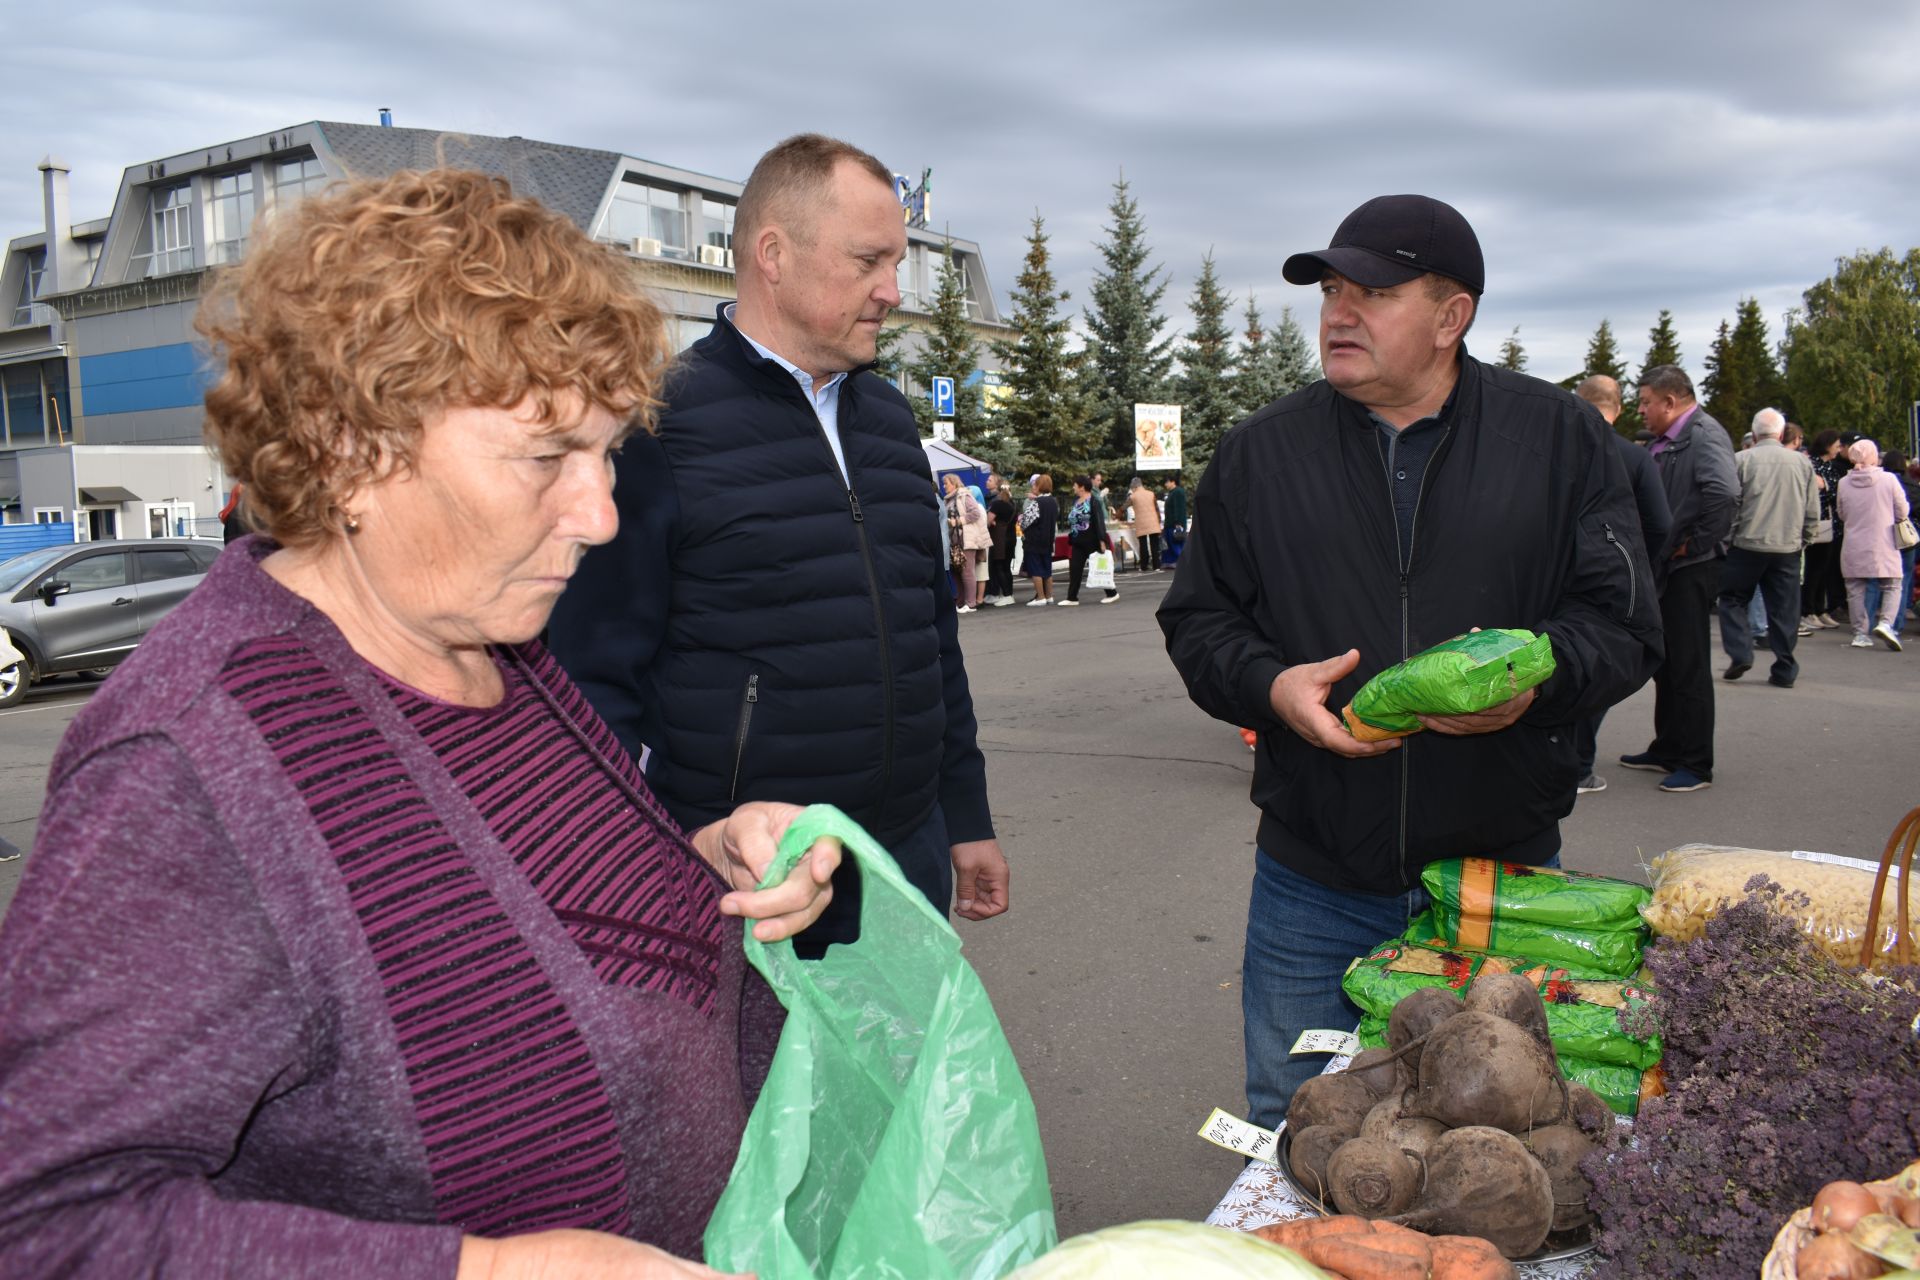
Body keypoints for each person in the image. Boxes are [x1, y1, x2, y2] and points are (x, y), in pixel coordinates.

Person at [0, 168, 844, 1278]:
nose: (599, 515)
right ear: (352, 450)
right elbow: (46, 1226)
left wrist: (714, 862)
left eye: (606, 454)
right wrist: (484, 1271)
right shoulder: (185, 766)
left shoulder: (492, 645)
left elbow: (527, 910)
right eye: (547, 457)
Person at [1157, 193, 1661, 1129]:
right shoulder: (1260, 454)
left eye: (1374, 293)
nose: (1339, 313)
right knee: (1293, 1122)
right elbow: (1200, 622)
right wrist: (1270, 687)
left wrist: (1536, 689)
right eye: (1332, 290)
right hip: (1314, 881)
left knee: (1493, 1140)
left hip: (1501, 887)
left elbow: (1623, 624)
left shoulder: (1558, 440)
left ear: (1450, 316)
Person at [548, 134, 1009, 946]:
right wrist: (635, 872)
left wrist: (963, 815)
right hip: (742, 886)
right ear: (773, 254)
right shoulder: (660, 423)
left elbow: (930, 636)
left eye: (897, 264)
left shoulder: (892, 422)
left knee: (899, 1075)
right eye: (869, 261)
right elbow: (592, 681)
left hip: (906, 860)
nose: (892, 291)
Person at [1618, 364, 1738, 794]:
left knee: (1687, 665)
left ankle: (1695, 762)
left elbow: (1723, 492)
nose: (1641, 410)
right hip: (1670, 564)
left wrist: (1696, 542)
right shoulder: (1672, 440)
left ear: (1670, 402)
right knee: (1667, 662)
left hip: (1689, 567)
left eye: (1646, 402)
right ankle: (1668, 747)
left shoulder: (1703, 434)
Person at [1568, 375, 1672, 795]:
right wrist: (1643, 568)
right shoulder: (1634, 457)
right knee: (1598, 670)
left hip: (1554, 580)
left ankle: (1562, 761)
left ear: (1577, 402)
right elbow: (1661, 524)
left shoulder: (1552, 451)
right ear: (1619, 408)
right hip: (1615, 584)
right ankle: (1579, 766)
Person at [1716, 407, 1820, 687]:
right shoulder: (1802, 464)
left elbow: (1732, 504)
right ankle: (1785, 666)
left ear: (1755, 432)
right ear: (1783, 433)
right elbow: (1812, 508)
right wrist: (1805, 539)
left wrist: (1729, 538)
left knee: (1732, 598)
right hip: (1786, 546)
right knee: (1784, 609)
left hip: (1747, 544)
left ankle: (1740, 652)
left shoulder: (1740, 460)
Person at [1835, 438, 1911, 651]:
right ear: (1874, 456)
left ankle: (1860, 633)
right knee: (1893, 584)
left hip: (1853, 543)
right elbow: (1903, 511)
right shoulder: (1889, 480)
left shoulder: (1843, 482)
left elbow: (1842, 513)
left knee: (1855, 589)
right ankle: (1886, 623)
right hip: (1884, 542)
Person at [1866, 450, 1919, 635]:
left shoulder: (1875, 483)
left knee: (1873, 579)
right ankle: (1895, 624)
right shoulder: (1912, 485)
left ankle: (1867, 623)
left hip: (1879, 534)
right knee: (1901, 580)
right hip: (1906, 536)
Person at [1803, 430, 1848, 629]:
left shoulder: (1829, 466)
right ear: (1827, 445)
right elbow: (1816, 489)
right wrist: (1829, 487)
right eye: (1836, 445)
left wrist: (1828, 486)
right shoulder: (1811, 464)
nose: (1838, 449)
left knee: (1824, 569)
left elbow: (1833, 489)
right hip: (1816, 522)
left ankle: (1820, 609)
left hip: (1832, 524)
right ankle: (1807, 610)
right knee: (1813, 569)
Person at [944, 473, 989, 613]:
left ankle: (971, 603)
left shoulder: (964, 495)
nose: (944, 486)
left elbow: (975, 513)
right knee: (957, 570)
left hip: (967, 539)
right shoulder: (949, 499)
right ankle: (962, 601)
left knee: (967, 572)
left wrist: (957, 521)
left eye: (946, 483)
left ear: (954, 483)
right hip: (955, 541)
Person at [1061, 475, 1107, 606]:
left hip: (1091, 541)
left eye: (1075, 485)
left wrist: (1102, 540)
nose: (1073, 487)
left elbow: (1099, 522)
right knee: (1075, 569)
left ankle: (1111, 593)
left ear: (1081, 487)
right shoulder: (1077, 500)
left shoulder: (1094, 501)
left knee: (1098, 568)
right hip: (1077, 541)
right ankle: (1072, 597)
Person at [1019, 473, 1058, 605]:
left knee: (1036, 569)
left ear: (1040, 486)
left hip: (1034, 539)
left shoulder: (1037, 503)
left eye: (1036, 484)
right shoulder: (1053, 502)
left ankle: (1040, 597)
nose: (1033, 486)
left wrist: (1021, 523)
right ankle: (1049, 596)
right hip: (1048, 539)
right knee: (1047, 569)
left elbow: (1025, 521)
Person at [986, 472, 1019, 606]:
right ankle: (1009, 594)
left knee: (999, 566)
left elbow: (989, 520)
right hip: (1011, 537)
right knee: (1006, 567)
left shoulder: (997, 504)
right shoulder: (1013, 504)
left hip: (999, 538)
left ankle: (1005, 594)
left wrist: (992, 522)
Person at [1129, 475, 1164, 571]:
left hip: (1141, 523)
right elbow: (1156, 508)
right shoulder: (1151, 494)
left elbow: (1124, 508)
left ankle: (1144, 566)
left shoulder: (1133, 496)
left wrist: (1116, 515)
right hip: (1153, 522)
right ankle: (1156, 566)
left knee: (1143, 545)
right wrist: (1159, 520)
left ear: (1134, 487)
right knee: (1154, 545)